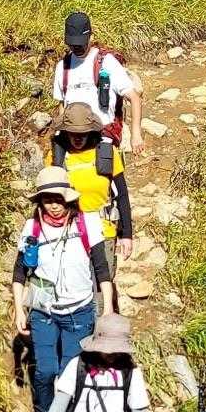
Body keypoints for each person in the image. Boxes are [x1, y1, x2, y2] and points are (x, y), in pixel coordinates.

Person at [12, 166, 113, 412]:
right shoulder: (32, 228)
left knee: (70, 373)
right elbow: (19, 272)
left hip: (79, 312)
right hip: (44, 312)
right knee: (45, 370)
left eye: (58, 199)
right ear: (40, 201)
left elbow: (102, 270)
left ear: (68, 198)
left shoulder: (86, 223)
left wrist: (107, 309)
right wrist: (19, 309)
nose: (54, 206)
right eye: (48, 200)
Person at [49, 102, 133, 280]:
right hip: (68, 233)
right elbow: (47, 198)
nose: (78, 138)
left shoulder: (107, 153)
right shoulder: (56, 157)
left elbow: (122, 195)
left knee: (102, 287)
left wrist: (126, 234)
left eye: (82, 133)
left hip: (103, 231)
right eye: (73, 132)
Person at [53, 11, 144, 156]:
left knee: (104, 166)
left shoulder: (107, 62)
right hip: (72, 138)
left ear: (91, 37)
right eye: (72, 44)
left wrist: (136, 135)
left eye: (80, 44)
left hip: (103, 136)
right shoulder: (63, 66)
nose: (76, 48)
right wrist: (61, 134)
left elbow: (134, 98)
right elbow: (62, 104)